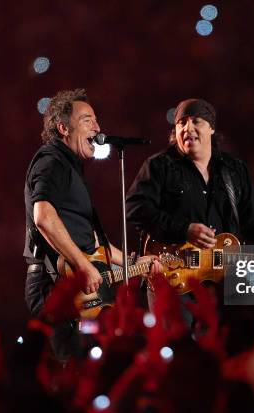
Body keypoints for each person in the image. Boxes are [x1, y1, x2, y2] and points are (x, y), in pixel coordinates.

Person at [23, 88, 158, 360]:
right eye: (87, 120)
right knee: (70, 371)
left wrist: (137, 264)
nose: (97, 127)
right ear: (63, 128)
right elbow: (43, 217)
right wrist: (84, 266)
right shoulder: (52, 161)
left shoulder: (70, 166)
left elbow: (95, 245)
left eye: (96, 120)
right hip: (55, 283)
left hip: (76, 280)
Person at [125, 98, 254, 320]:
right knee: (181, 349)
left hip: (224, 280)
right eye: (181, 123)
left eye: (196, 121)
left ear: (211, 128)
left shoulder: (233, 169)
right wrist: (184, 229)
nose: (187, 128)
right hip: (172, 277)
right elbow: (135, 208)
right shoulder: (158, 166)